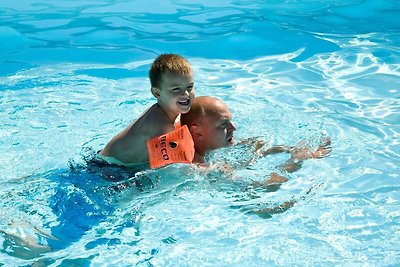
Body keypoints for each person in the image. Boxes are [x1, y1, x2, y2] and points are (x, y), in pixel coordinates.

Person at [180, 96, 331, 184]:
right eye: (223, 125)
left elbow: (252, 147)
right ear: (198, 132)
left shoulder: (202, 146)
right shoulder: (203, 169)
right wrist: (296, 161)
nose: (233, 128)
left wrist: (289, 149)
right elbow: (261, 189)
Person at [99, 54, 195, 167]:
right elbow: (175, 171)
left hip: (103, 160)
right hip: (108, 170)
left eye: (189, 87)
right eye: (176, 89)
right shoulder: (161, 127)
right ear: (157, 93)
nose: (186, 94)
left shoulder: (160, 111)